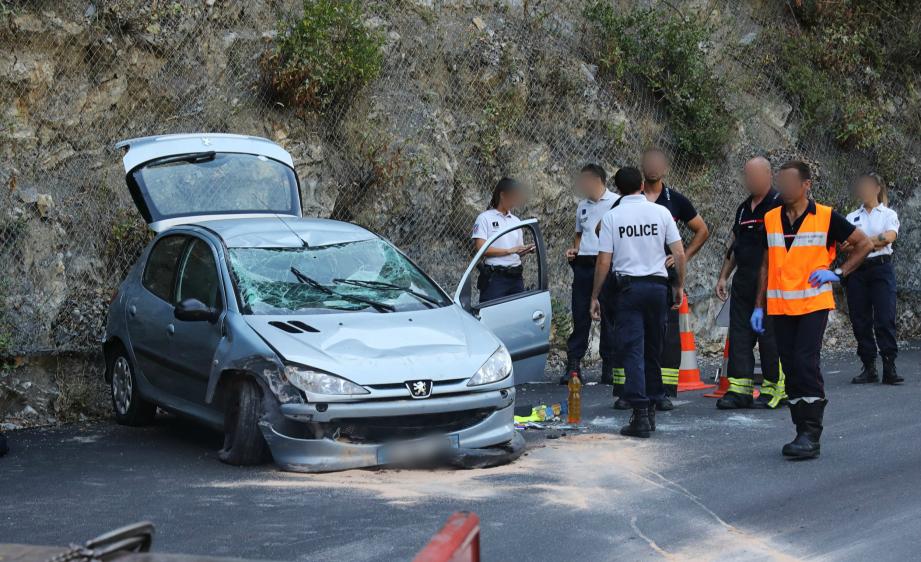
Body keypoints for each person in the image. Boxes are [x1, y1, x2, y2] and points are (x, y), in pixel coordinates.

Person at [753, 161, 872, 459]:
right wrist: (758, 305)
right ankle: (799, 429)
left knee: (806, 362)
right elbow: (766, 264)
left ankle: (810, 433)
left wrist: (839, 273)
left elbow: (863, 243)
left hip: (812, 303)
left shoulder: (826, 217)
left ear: (806, 185)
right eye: (781, 182)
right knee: (791, 366)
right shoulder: (770, 218)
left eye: (790, 182)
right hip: (780, 305)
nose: (784, 188)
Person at [591, 166, 686, 438]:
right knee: (653, 349)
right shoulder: (661, 213)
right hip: (657, 289)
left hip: (628, 290)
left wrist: (595, 295)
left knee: (632, 349)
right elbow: (678, 252)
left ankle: (640, 414)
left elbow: (604, 261)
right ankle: (654, 402)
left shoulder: (612, 217)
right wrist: (678, 285)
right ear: (642, 185)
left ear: (618, 190)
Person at [610, 147, 708, 410]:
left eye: (657, 163)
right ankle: (628, 392)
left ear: (665, 168)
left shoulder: (675, 201)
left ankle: (660, 393)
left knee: (660, 339)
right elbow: (604, 230)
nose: (653, 167)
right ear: (642, 171)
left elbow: (701, 230)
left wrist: (681, 258)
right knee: (630, 339)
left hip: (661, 281)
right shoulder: (625, 202)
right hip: (631, 281)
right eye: (648, 163)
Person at [714, 157, 786, 409]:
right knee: (740, 336)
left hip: (771, 282)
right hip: (743, 280)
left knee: (769, 337)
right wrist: (724, 275)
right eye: (747, 175)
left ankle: (775, 389)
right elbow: (734, 246)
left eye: (755, 175)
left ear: (769, 175)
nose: (750, 180)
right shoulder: (743, 209)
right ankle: (739, 390)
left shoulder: (779, 205)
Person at [561, 164, 620, 385]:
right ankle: (574, 365)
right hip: (584, 265)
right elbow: (579, 234)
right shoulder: (582, 206)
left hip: (605, 262)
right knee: (580, 314)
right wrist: (575, 249)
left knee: (609, 316)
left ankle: (609, 366)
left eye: (585, 180)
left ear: (597, 180)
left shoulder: (616, 202)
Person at [843, 173, 902, 385]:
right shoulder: (851, 217)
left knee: (885, 318)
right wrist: (872, 242)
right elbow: (845, 245)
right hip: (857, 271)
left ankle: (889, 366)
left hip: (881, 269)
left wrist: (862, 243)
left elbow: (889, 237)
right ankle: (869, 367)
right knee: (860, 320)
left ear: (877, 188)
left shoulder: (888, 214)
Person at [471, 177, 535, 303]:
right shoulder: (485, 218)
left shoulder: (516, 221)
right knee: (491, 314)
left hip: (516, 277)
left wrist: (526, 250)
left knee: (517, 314)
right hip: (495, 278)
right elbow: (480, 248)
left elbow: (517, 250)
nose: (516, 200)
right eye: (513, 196)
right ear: (503, 195)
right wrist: (508, 251)